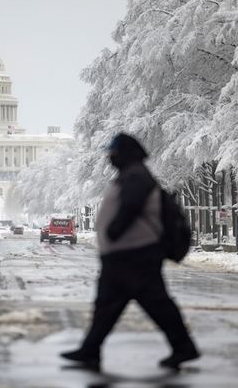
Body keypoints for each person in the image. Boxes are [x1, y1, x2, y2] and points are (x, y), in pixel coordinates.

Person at [60, 132, 199, 371]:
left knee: (156, 304)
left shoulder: (136, 175)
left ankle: (183, 347)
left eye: (112, 152)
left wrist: (115, 229)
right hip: (126, 256)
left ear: (124, 153)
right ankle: (90, 350)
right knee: (108, 306)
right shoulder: (132, 173)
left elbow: (132, 204)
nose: (109, 157)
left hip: (135, 255)